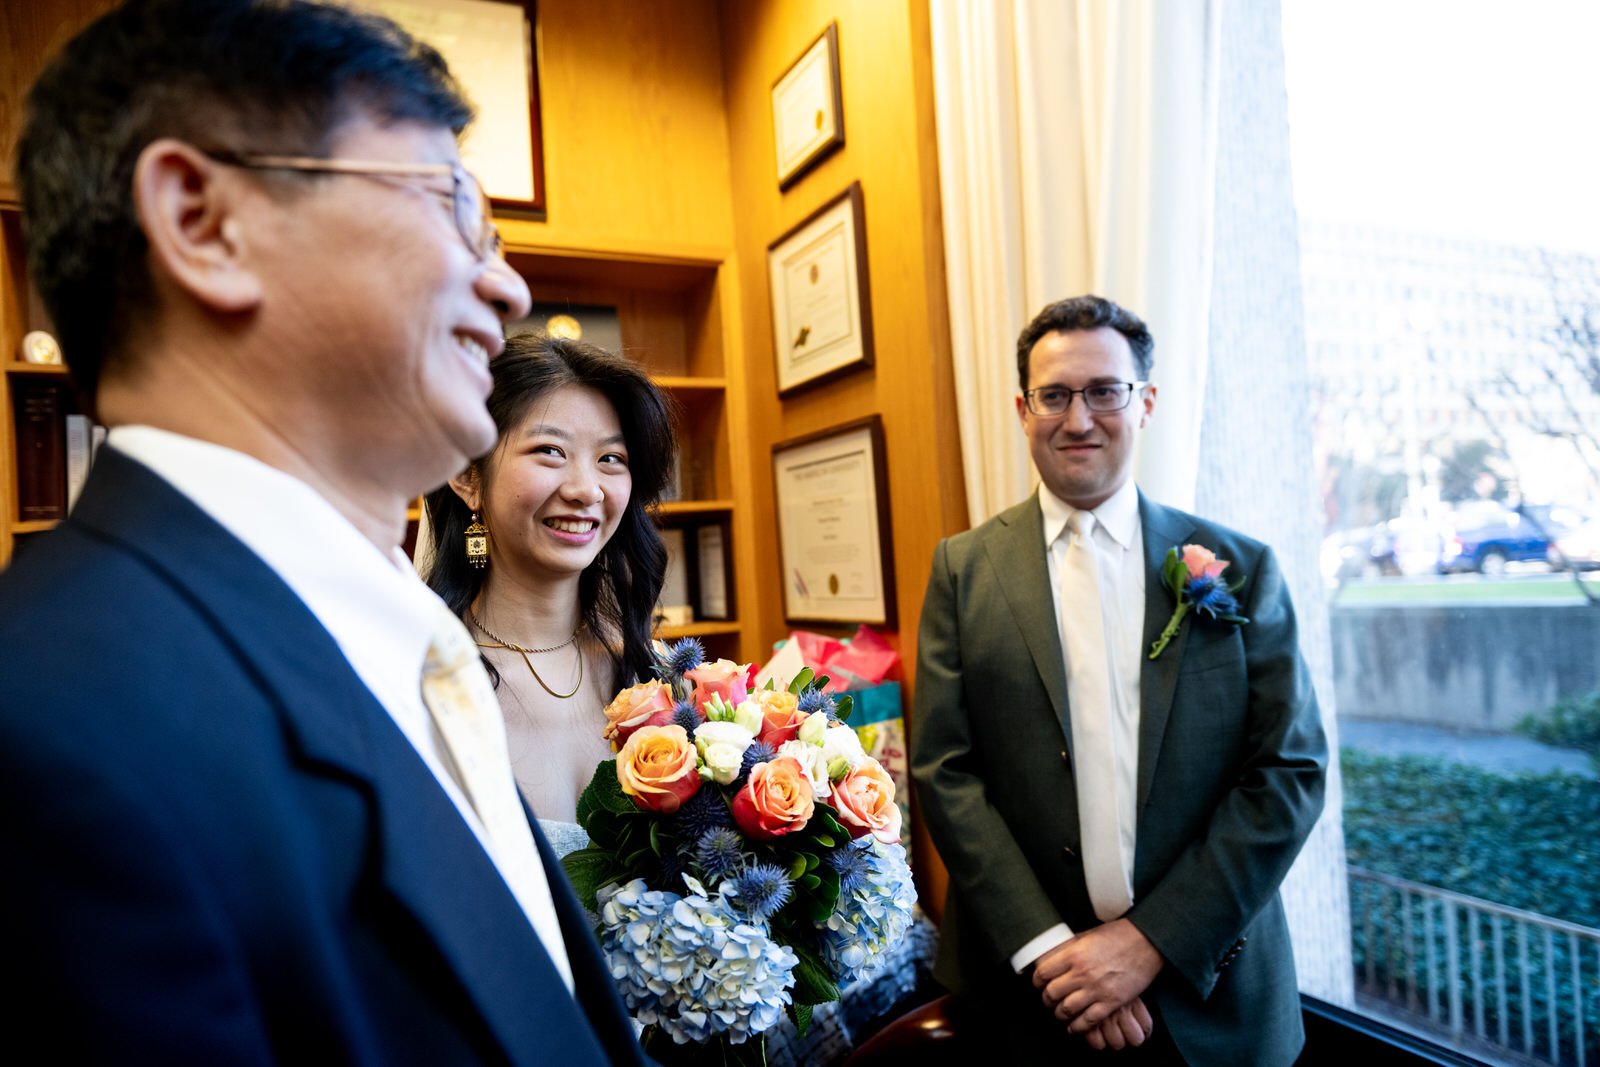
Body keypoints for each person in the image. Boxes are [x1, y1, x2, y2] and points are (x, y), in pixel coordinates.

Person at [0, 2, 648, 1062]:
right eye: (451, 205)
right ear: (205, 223)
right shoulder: (50, 728)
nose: (509, 285)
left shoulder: (408, 647)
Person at [910, 295, 1327, 1065]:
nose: (1079, 419)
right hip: (1030, 1000)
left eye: (1105, 391)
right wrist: (1050, 954)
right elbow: (945, 771)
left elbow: (1289, 771)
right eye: (1055, 395)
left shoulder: (1240, 567)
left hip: (1217, 998)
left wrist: (1147, 944)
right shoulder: (962, 571)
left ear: (1147, 402)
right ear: (1021, 408)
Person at [422, 331, 675, 824]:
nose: (586, 490)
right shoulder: (428, 687)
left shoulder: (661, 678)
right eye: (550, 451)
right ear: (468, 476)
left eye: (611, 459)